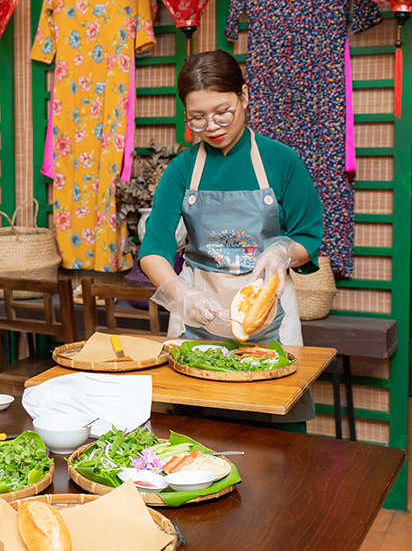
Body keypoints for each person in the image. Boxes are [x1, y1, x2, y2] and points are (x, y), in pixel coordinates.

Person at [138, 50, 323, 424]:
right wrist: (183, 295)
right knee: (196, 435)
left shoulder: (281, 161)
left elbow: (308, 236)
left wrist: (281, 253)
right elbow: (153, 250)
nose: (212, 126)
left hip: (271, 319)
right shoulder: (182, 171)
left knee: (277, 447)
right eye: (198, 118)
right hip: (198, 325)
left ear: (244, 96)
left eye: (223, 111)